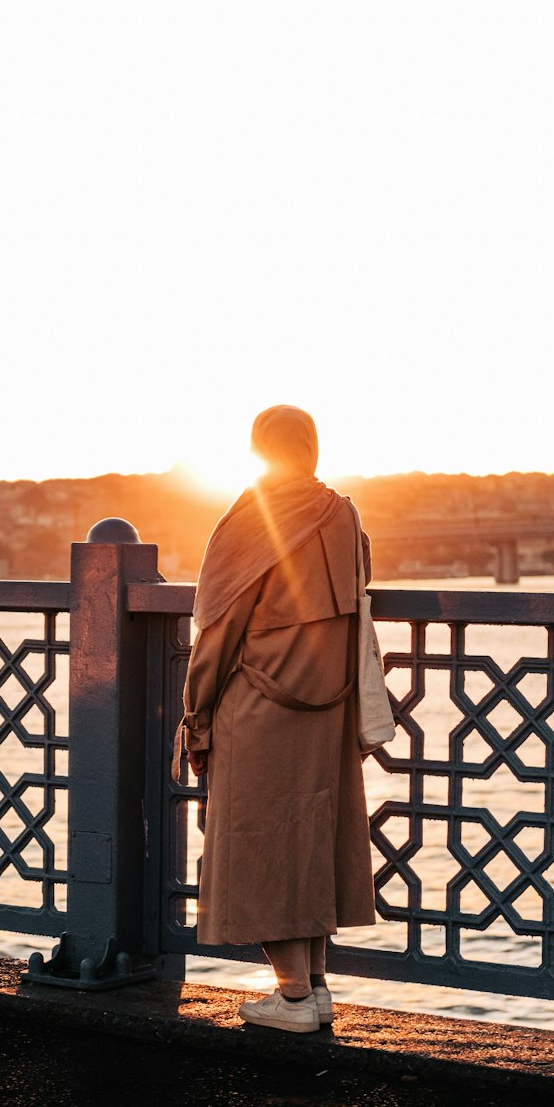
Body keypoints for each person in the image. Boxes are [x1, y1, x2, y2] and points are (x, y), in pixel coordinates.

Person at [172, 404, 374, 1034]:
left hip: (257, 708)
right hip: (328, 709)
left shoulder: (250, 519)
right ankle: (312, 989)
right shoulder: (342, 513)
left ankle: (291, 999)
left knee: (257, 846)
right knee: (310, 845)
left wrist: (196, 721)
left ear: (260, 449)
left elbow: (218, 632)